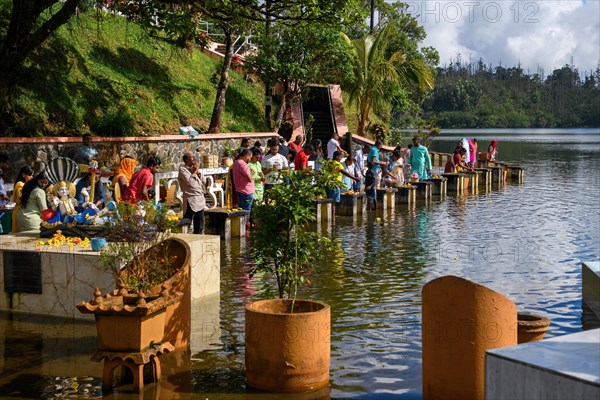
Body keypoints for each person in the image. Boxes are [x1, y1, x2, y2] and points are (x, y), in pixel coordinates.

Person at [178, 151, 207, 234]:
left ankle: (198, 237)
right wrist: (193, 172)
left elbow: (204, 181)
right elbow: (191, 184)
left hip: (200, 199)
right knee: (187, 221)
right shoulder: (182, 170)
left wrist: (198, 172)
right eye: (192, 158)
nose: (194, 159)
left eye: (194, 157)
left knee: (199, 223)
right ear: (186, 160)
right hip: (191, 199)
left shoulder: (195, 169)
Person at [232, 149, 255, 222]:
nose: (249, 159)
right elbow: (249, 178)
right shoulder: (242, 164)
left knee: (241, 211)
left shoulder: (236, 162)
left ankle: (242, 228)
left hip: (241, 190)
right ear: (247, 156)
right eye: (250, 157)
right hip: (246, 191)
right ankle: (244, 228)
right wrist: (251, 173)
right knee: (246, 212)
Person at [10, 166, 34, 233]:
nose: (31, 177)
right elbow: (21, 199)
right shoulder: (20, 185)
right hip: (19, 212)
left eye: (32, 175)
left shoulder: (25, 185)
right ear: (23, 175)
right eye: (30, 175)